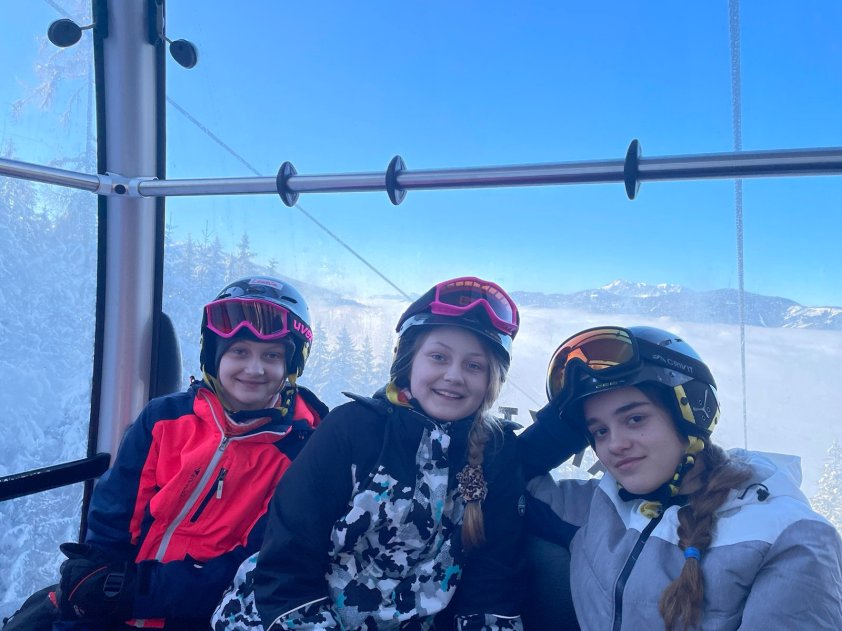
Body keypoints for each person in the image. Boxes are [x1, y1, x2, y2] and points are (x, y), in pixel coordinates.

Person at [2, 276, 328, 631]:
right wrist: (95, 585)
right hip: (119, 598)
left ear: (291, 366)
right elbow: (114, 516)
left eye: (272, 355)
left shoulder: (298, 455)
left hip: (201, 613)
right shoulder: (164, 419)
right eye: (239, 351)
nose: (254, 368)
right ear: (213, 353)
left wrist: (135, 592)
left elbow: (251, 566)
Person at [212, 276, 526, 631]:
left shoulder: (496, 454)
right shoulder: (354, 430)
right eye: (439, 357)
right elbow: (287, 560)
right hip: (281, 617)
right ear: (409, 362)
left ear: (491, 379)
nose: (454, 376)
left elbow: (492, 582)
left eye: (474, 365)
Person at [521, 325, 842, 630]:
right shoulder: (597, 505)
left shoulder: (788, 537)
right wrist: (565, 422)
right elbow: (508, 474)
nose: (615, 444)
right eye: (600, 431)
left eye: (635, 418)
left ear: (691, 414)